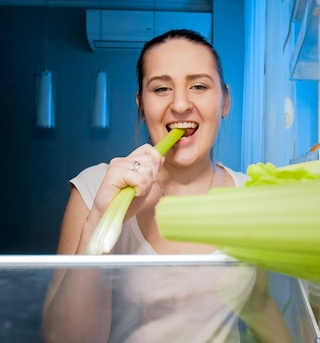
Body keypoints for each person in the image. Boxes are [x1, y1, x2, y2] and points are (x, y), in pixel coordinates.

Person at [41, 29, 294, 343]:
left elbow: (258, 304)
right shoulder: (94, 188)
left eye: (199, 86)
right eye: (161, 88)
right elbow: (63, 339)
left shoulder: (251, 197)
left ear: (225, 101)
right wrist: (101, 219)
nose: (180, 104)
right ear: (141, 105)